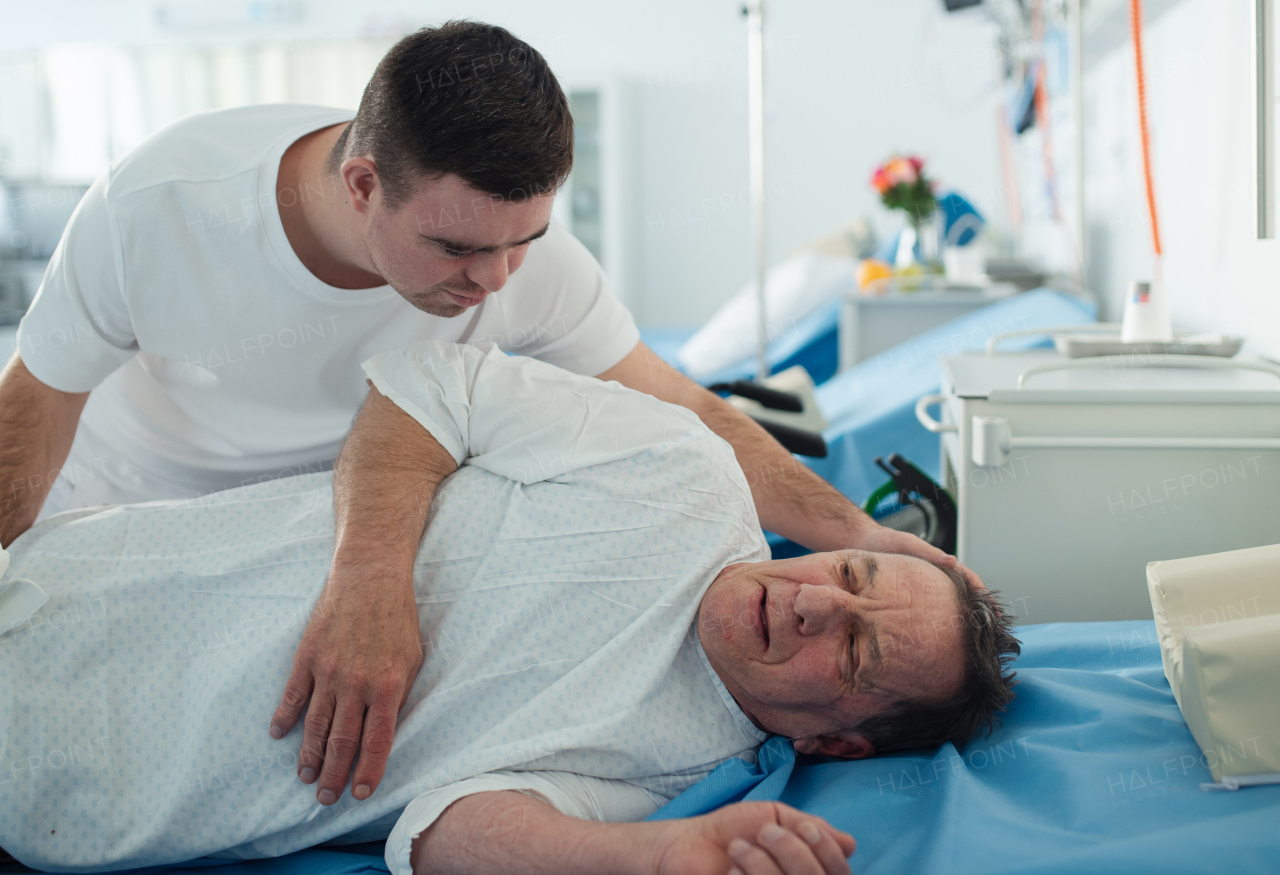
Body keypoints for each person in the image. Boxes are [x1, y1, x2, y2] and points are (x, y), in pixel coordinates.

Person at [0, 20, 966, 812]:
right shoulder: (158, 210)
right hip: (131, 521)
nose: (496, 281)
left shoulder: (520, 263)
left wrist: (857, 533)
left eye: (526, 242)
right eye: (458, 248)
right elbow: (28, 420)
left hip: (345, 528)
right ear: (363, 183)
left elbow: (686, 405)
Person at [0, 342, 1018, 875]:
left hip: (69, 789)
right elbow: (430, 384)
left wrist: (654, 854)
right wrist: (370, 583)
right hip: (78, 587)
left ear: (837, 746)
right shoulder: (681, 470)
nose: (810, 608)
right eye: (847, 579)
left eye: (852, 655)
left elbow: (444, 833)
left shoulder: (679, 765)